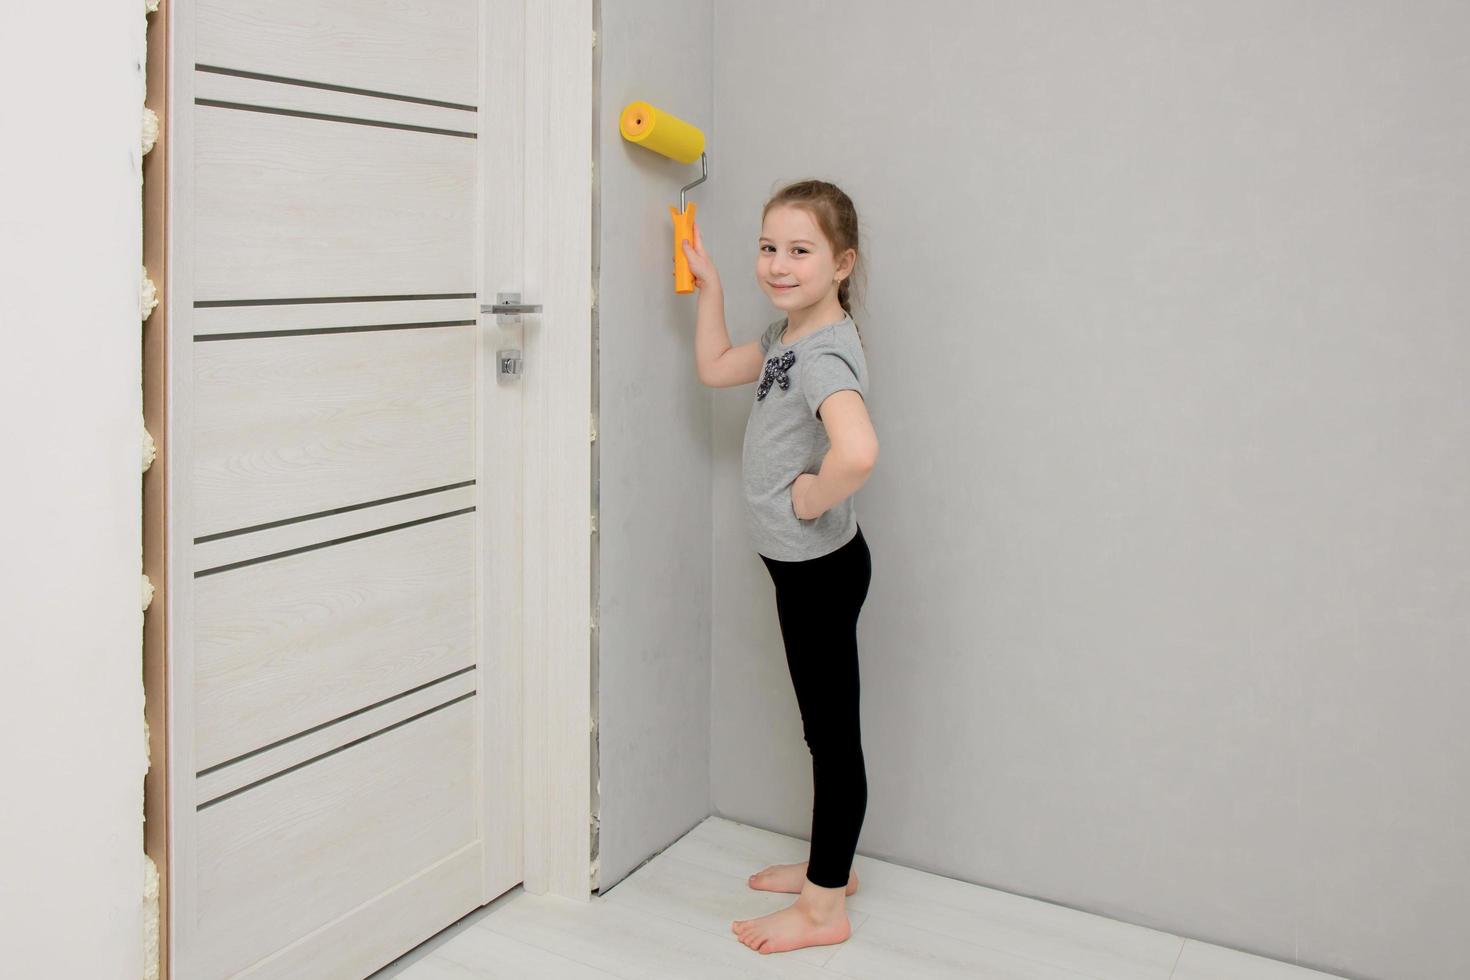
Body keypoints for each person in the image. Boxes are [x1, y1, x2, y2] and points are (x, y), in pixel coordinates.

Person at [682, 179, 878, 955]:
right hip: (801, 570)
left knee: (832, 740)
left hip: (820, 571)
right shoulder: (788, 334)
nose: (778, 263)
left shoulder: (826, 351)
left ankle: (826, 908)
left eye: (800, 250)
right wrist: (714, 289)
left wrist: (812, 496)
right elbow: (715, 367)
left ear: (842, 263)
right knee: (821, 733)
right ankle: (831, 869)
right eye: (768, 247)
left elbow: (857, 451)